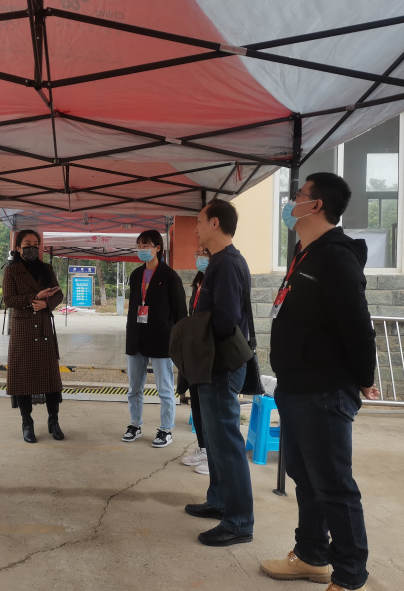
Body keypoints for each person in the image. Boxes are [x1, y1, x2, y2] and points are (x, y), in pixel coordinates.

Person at [260, 173, 379, 591]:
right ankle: (311, 555)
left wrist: (364, 379)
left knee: (333, 486)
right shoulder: (305, 252)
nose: (290, 201)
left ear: (316, 205)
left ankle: (349, 577)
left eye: (297, 194)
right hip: (295, 386)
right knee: (305, 477)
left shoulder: (336, 258)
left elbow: (359, 327)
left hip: (325, 391)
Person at [184, 199, 255, 547]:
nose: (195, 228)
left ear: (215, 223)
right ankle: (219, 500)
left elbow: (225, 320)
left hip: (221, 364)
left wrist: (193, 333)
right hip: (211, 363)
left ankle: (239, 522)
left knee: (226, 443)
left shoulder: (226, 263)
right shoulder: (220, 261)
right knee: (214, 441)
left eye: (199, 221)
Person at [123, 230, 187, 448]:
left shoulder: (170, 277)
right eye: (139, 246)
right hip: (136, 338)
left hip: (161, 339)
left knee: (165, 388)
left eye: (146, 245)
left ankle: (166, 429)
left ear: (158, 248)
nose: (142, 250)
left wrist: (178, 341)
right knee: (134, 387)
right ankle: (135, 425)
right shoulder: (135, 275)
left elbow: (180, 313)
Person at [2, 229, 65, 444]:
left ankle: (53, 421)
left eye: (35, 244)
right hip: (23, 331)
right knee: (23, 379)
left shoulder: (47, 269)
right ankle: (27, 422)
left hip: (44, 329)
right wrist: (33, 299)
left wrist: (46, 304)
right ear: (18, 248)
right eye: (27, 244)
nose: (32, 248)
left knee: (51, 379)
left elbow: (58, 294)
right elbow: (9, 299)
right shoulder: (11, 271)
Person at [180, 246, 211, 474]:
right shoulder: (199, 280)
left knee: (210, 405)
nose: (199, 257)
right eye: (197, 253)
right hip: (195, 349)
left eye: (203, 253)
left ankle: (214, 454)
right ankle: (203, 448)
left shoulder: (221, 275)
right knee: (197, 402)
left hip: (209, 351)